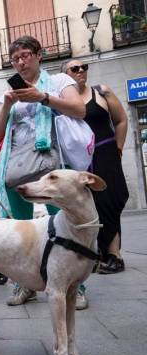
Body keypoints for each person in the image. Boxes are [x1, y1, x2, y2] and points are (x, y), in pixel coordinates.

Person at [0, 36, 86, 307]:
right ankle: (26, 285)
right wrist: (8, 105)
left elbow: (80, 110)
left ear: (38, 56)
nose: (20, 62)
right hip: (19, 166)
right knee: (19, 230)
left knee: (65, 225)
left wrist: (43, 97)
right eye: (15, 58)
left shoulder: (59, 82)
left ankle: (76, 288)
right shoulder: (8, 93)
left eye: (25, 55)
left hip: (54, 166)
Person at [63, 59, 129, 280]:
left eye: (84, 67)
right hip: (80, 160)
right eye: (74, 68)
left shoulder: (102, 92)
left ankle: (114, 255)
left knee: (112, 199)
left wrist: (118, 147)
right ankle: (98, 254)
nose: (81, 70)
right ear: (65, 75)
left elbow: (120, 120)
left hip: (106, 153)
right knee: (92, 205)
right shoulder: (63, 99)